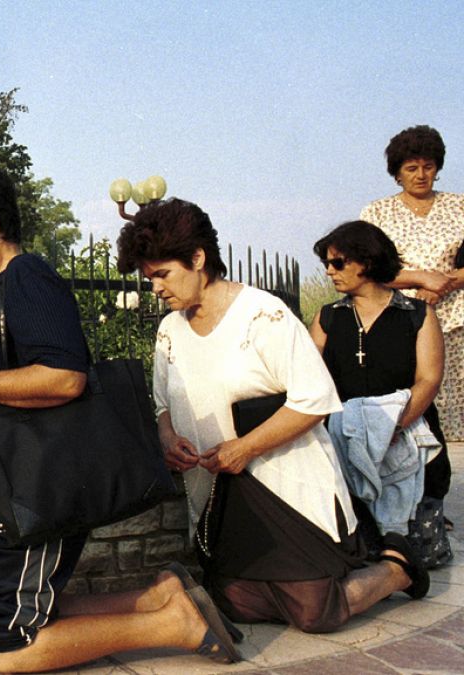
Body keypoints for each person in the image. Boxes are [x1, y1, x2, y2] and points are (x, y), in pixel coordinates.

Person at [0, 167, 240, 671]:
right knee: (1, 614)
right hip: (3, 494)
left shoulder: (26, 278)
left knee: (2, 643)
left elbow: (65, 378)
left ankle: (176, 625)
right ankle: (161, 598)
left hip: (30, 492)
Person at [115, 198, 428, 635]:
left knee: (315, 612)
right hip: (219, 491)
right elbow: (162, 402)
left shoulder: (264, 315)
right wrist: (169, 438)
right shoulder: (170, 329)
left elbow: (314, 399)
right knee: (236, 603)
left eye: (162, 274)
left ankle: (396, 564)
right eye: (149, 279)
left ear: (198, 258)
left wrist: (245, 448)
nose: (156, 288)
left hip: (284, 485)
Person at [310, 220, 451, 566]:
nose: (330, 271)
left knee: (421, 556)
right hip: (349, 438)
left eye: (338, 262)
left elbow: (428, 380)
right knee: (361, 557)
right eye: (327, 264)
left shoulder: (417, 315)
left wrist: (392, 427)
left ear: (367, 262)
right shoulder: (327, 318)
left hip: (407, 431)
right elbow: (311, 379)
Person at [360, 125, 464, 442]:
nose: (421, 175)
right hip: (402, 323)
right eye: (411, 168)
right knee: (413, 416)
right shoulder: (376, 213)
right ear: (397, 174)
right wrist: (420, 278)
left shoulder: (460, 207)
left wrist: (444, 282)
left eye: (428, 167)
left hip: (457, 321)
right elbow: (366, 270)